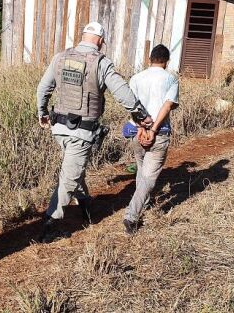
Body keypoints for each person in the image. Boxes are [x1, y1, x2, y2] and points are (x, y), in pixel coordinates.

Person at [36, 21, 153, 242]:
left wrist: (42, 112)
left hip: (58, 129)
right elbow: (123, 93)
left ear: (83, 36)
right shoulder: (101, 62)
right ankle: (51, 224)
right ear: (100, 40)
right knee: (69, 178)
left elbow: (43, 89)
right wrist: (141, 115)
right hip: (81, 132)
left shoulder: (60, 57)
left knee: (73, 167)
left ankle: (86, 205)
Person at [122, 44, 179, 235]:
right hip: (159, 132)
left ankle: (141, 204)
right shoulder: (170, 79)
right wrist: (153, 130)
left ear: (150, 59)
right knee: (149, 177)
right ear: (167, 61)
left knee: (141, 171)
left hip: (136, 133)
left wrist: (140, 128)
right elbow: (168, 105)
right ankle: (132, 215)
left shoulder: (136, 78)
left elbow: (131, 105)